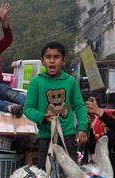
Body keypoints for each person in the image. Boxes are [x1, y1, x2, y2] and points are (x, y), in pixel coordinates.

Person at [24, 41, 88, 169]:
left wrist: (82, 127)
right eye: (48, 57)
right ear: (42, 61)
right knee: (45, 176)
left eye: (56, 57)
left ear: (63, 61)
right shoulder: (36, 82)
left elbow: (80, 106)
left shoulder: (70, 81)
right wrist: (42, 116)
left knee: (71, 176)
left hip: (68, 137)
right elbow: (28, 109)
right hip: (45, 138)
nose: (52, 61)